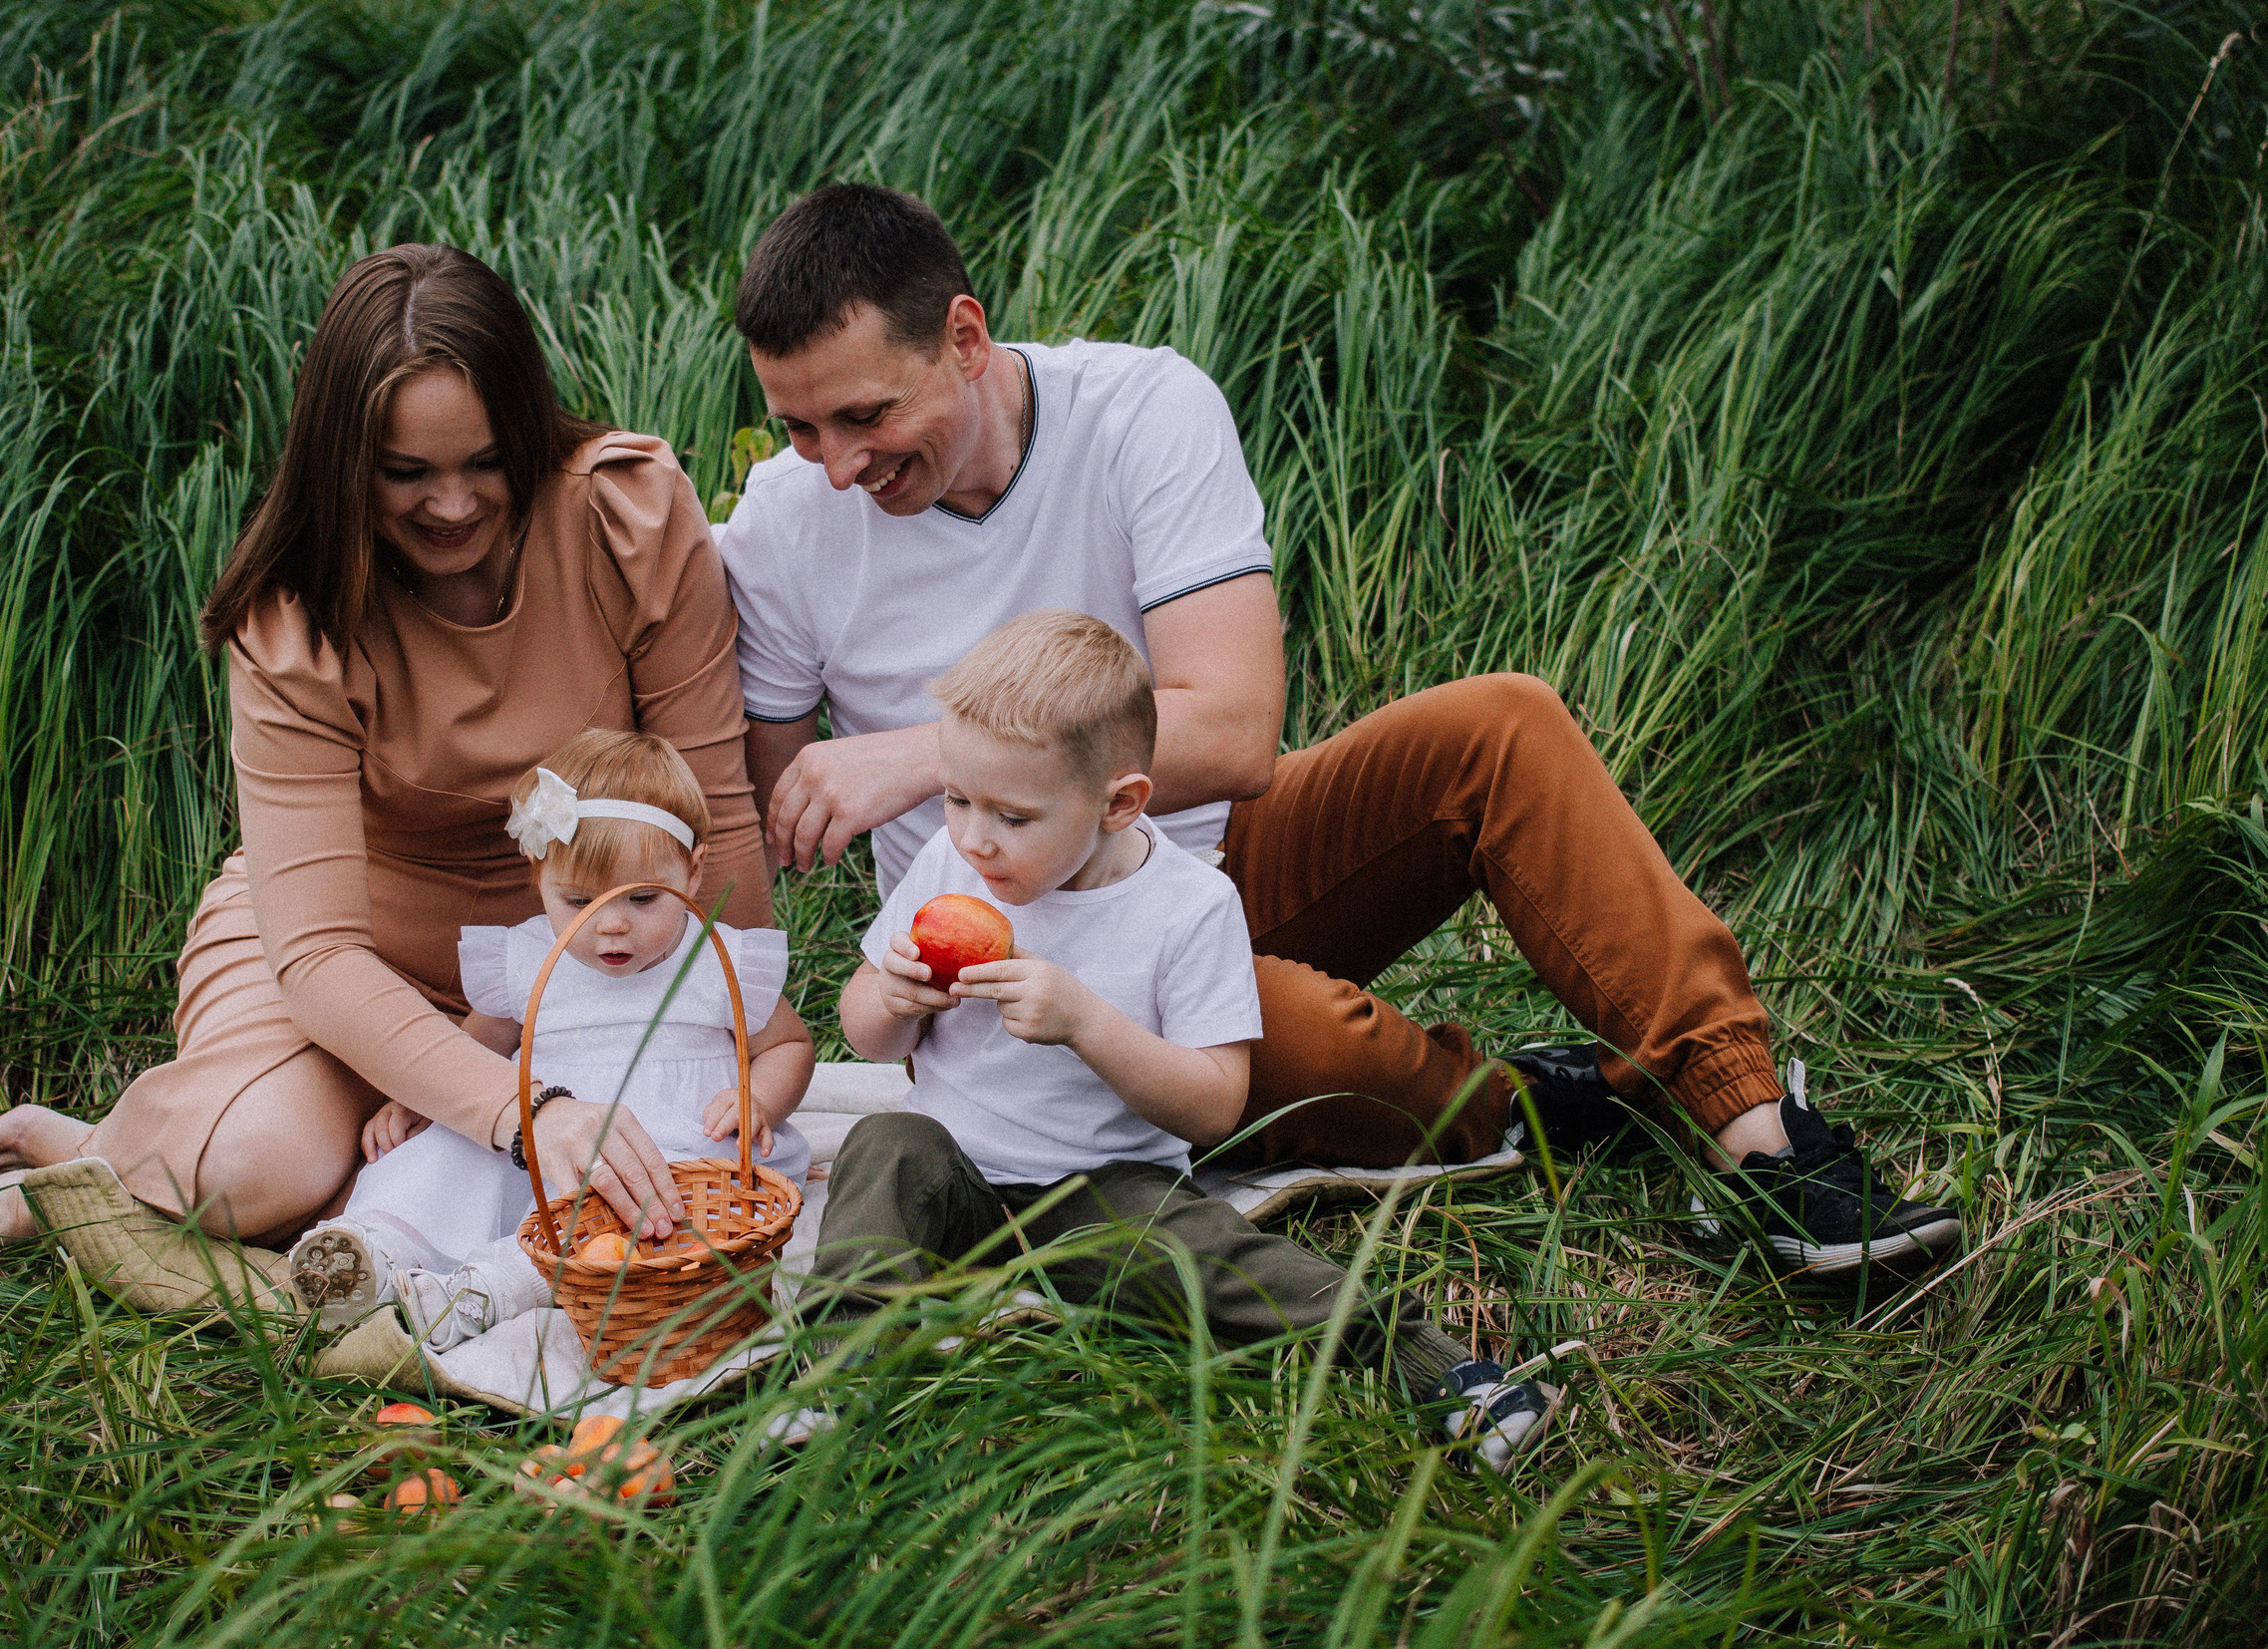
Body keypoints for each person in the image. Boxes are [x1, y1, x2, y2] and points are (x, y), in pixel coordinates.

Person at [720, 183, 1960, 1289]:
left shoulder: (1142, 409)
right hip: (1029, 966)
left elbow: (1240, 727)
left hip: (1209, 857)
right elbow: (779, 809)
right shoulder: (784, 524)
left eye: (862, 417)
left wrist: (926, 754)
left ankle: (1758, 1137)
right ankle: (1528, 1100)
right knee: (1278, 1035)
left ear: (966, 339)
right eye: (798, 429)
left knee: (1500, 723)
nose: (832, 467)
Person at [0, 244, 761, 1264]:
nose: (453, 506)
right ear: (341, 460)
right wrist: (525, 1112)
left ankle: (149, 1146)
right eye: (405, 474)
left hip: (579, 955)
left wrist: (743, 1026)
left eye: (486, 462)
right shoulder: (291, 620)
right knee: (263, 1171)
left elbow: (710, 810)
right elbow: (321, 955)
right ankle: (70, 1180)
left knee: (633, 1166)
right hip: (347, 963)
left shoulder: (625, 517)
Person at [816, 611, 1559, 1469]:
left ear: (1119, 802)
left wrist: (1086, 1023)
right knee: (883, 1145)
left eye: (1013, 815)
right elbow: (863, 1031)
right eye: (955, 798)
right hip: (953, 1163)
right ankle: (847, 1387)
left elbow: (1215, 1105)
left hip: (1097, 1188)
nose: (975, 835)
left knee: (1216, 1261)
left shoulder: (1187, 907)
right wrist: (893, 997)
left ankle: (1436, 1370)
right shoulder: (954, 868)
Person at [288, 728, 815, 1349]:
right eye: (577, 901)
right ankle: (375, 1252)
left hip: (670, 1136)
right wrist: (418, 1099)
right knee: (446, 1155)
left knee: (647, 1204)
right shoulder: (531, 957)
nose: (611, 925)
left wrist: (760, 1102)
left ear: (693, 872)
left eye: (643, 899)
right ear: (538, 877)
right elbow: (477, 1050)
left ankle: (488, 1291)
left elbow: (789, 1045)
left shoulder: (713, 960)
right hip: (536, 1138)